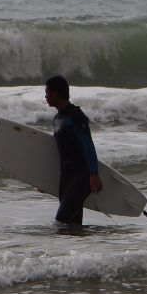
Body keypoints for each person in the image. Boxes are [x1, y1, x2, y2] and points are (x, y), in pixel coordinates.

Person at [44, 75, 102, 228]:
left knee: (61, 222)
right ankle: (79, 252)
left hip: (81, 176)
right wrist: (42, 179)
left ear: (56, 93)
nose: (45, 96)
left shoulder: (75, 116)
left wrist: (93, 174)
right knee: (73, 227)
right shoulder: (57, 119)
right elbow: (59, 153)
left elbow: (87, 145)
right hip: (66, 178)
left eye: (47, 92)